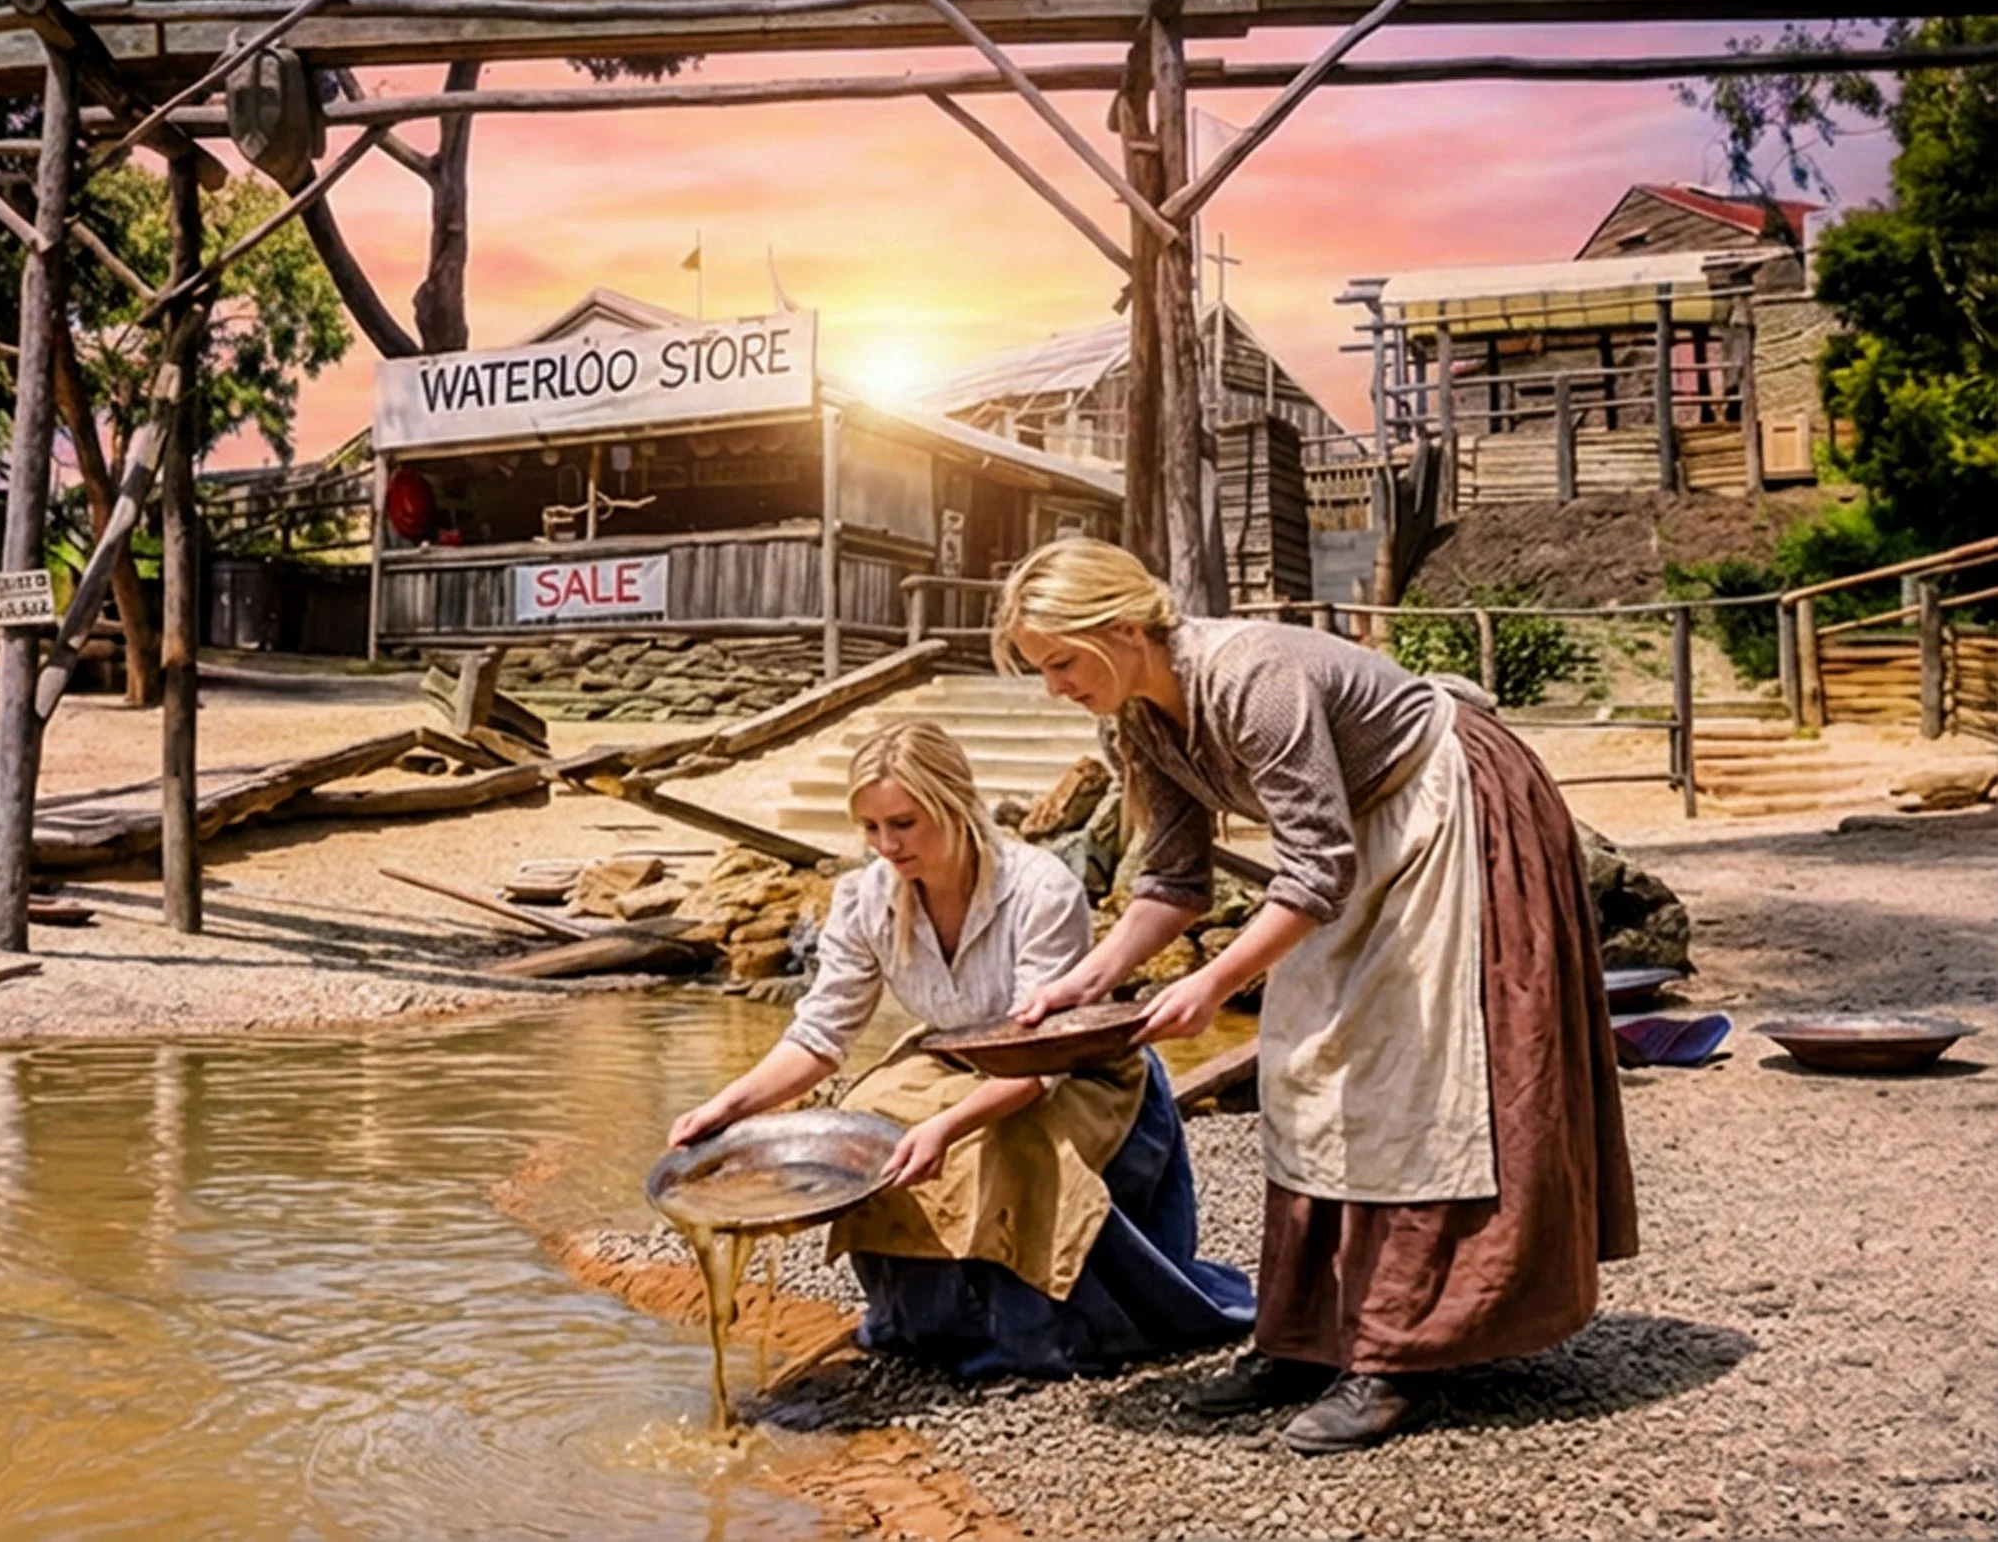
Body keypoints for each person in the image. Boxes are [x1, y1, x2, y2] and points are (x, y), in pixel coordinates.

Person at [996, 537, 1638, 1453]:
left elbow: (1316, 865)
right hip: (1348, 840)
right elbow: (1176, 883)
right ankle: (1304, 1336)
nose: (1055, 685)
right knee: (1304, 1065)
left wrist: (1217, 981)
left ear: (1127, 627)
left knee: (1413, 1075)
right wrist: (1087, 979)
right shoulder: (1139, 721)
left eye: (1062, 661)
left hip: (1441, 801)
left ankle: (1398, 1356)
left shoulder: (1252, 677)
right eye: (1040, 669)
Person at [667, 718, 1254, 1378]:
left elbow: (1044, 1059)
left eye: (904, 824)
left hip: (1073, 1063)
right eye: (870, 828)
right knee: (866, 1120)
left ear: (953, 803)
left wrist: (946, 1126)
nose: (886, 845)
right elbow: (820, 1037)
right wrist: (727, 1108)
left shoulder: (1040, 889)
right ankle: (917, 1317)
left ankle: (1027, 1329)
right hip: (952, 1054)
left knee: (1001, 1142)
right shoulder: (865, 899)